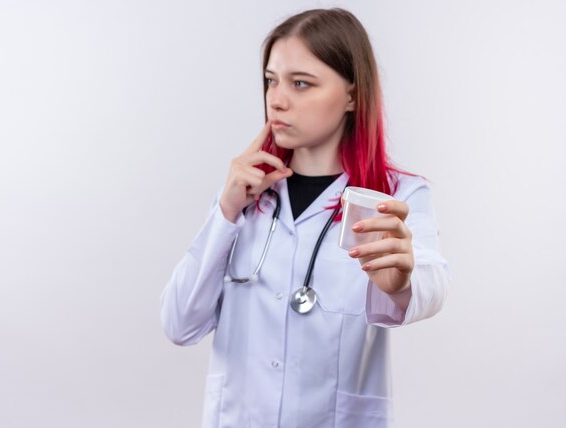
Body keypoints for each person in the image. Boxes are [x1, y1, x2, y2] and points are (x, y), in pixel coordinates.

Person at [160, 8, 449, 428]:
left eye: (300, 83)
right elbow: (178, 323)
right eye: (271, 80)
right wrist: (225, 212)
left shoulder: (397, 195)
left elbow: (434, 282)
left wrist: (402, 282)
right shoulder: (246, 197)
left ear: (352, 94)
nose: (276, 99)